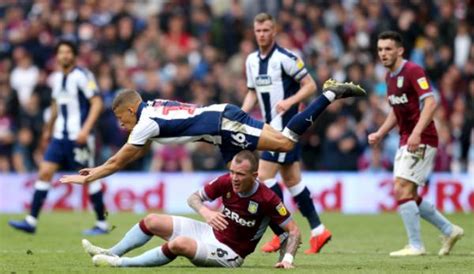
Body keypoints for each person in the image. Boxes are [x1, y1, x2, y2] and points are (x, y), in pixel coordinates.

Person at [59, 78, 365, 186]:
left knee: (284, 143)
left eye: (118, 117)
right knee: (238, 179)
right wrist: (98, 169)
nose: (119, 124)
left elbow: (117, 162)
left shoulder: (146, 122)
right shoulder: (152, 107)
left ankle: (329, 94)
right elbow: (130, 153)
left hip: (225, 124)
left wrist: (87, 176)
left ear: (129, 109)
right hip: (222, 130)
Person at [80, 151, 301, 269]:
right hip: (209, 232)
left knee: (179, 244)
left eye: (241, 174)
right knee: (152, 220)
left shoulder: (267, 198)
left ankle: (121, 264)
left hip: (231, 254)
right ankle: (112, 252)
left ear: (255, 176)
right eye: (232, 172)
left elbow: (293, 230)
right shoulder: (225, 182)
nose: (234, 178)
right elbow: (193, 198)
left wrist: (288, 260)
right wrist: (206, 212)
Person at [241, 12, 331, 254]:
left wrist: (290, 101)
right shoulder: (251, 60)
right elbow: (252, 92)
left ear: (274, 31)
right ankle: (318, 231)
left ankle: (283, 233)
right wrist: (240, 113)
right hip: (269, 127)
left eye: (266, 30)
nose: (262, 34)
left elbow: (311, 85)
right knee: (292, 181)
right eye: (258, 30)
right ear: (254, 31)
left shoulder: (286, 58)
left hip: (286, 128)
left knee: (264, 177)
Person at [369, 31, 464, 256]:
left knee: (401, 187)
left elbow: (431, 103)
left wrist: (417, 133)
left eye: (388, 49)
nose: (383, 53)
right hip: (406, 139)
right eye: (380, 49)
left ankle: (416, 245)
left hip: (421, 138)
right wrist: (381, 133)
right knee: (407, 192)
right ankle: (449, 230)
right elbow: (396, 110)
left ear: (400, 50)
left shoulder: (413, 71)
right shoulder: (389, 77)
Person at [8, 40, 109, 235]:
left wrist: (85, 130)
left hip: (78, 136)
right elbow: (56, 105)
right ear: (57, 56)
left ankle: (102, 224)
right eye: (61, 52)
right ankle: (31, 221)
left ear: (74, 55)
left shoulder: (82, 76)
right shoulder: (57, 78)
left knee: (89, 178)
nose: (64, 55)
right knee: (44, 172)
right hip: (59, 137)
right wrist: (48, 129)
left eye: (68, 52)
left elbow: (96, 103)